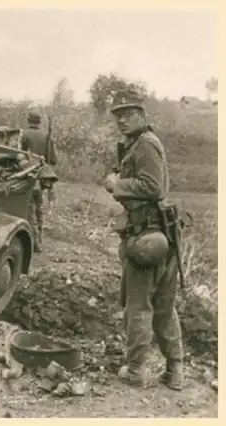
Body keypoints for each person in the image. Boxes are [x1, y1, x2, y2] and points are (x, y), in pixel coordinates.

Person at [104, 89, 184, 390]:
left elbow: (152, 187)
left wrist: (116, 184)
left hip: (146, 236)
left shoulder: (145, 145)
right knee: (164, 306)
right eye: (118, 115)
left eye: (128, 114)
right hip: (161, 235)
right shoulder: (138, 143)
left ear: (141, 115)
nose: (122, 120)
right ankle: (175, 369)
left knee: (138, 305)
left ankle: (136, 370)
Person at [20, 110, 58, 252]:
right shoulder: (46, 137)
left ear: (28, 120)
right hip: (42, 177)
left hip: (27, 175)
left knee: (29, 208)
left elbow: (19, 155)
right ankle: (39, 238)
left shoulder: (23, 135)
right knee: (38, 208)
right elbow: (53, 159)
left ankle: (34, 241)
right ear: (39, 122)